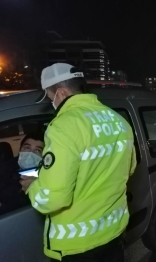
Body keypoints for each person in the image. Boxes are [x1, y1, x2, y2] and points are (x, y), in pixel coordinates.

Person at [20, 63, 137, 262]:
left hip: (76, 248)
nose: (52, 103)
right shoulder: (118, 121)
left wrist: (32, 188)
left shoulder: (64, 126)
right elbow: (130, 168)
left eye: (50, 97)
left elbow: (54, 198)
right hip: (113, 235)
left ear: (62, 92)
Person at [0, 133, 44, 216]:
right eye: (27, 148)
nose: (31, 153)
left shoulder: (44, 180)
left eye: (37, 150)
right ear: (20, 150)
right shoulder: (5, 168)